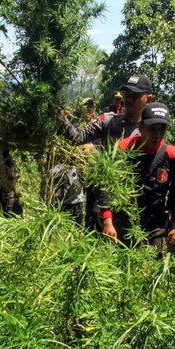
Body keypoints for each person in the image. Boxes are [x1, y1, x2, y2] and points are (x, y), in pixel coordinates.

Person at [60, 74, 155, 232]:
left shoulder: (153, 130)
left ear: (148, 98)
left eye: (136, 95)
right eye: (127, 94)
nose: (129, 99)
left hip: (135, 203)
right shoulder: (108, 120)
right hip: (102, 198)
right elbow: (77, 138)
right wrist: (60, 118)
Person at [100, 102, 175, 254]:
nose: (157, 134)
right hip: (123, 223)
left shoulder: (172, 154)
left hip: (155, 226)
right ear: (140, 127)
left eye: (162, 129)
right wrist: (107, 220)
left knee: (151, 264)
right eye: (152, 128)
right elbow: (105, 185)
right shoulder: (123, 149)